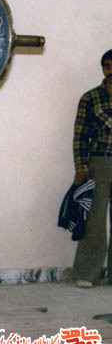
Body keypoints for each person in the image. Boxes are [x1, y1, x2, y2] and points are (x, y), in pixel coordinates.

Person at [72, 49, 112, 288]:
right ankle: (87, 274)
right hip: (100, 164)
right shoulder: (90, 98)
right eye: (107, 66)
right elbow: (80, 137)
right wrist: (81, 167)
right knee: (95, 221)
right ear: (103, 69)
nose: (111, 70)